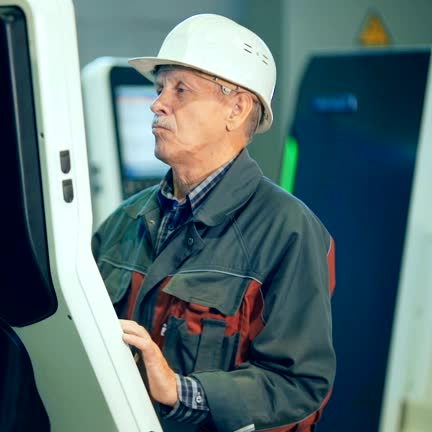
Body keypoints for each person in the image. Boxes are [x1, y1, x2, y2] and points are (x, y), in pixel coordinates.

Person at [92, 14, 335, 432]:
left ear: (236, 108)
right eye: (159, 87)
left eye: (180, 89)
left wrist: (180, 390)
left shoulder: (289, 232)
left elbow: (300, 388)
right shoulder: (124, 221)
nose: (157, 103)